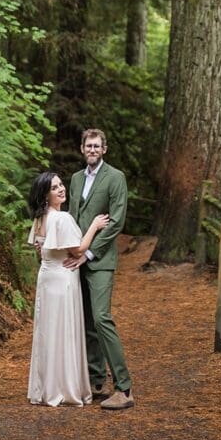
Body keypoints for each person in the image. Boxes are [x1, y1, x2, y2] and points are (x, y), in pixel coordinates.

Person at [64, 128, 134, 409]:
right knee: (87, 323)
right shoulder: (76, 179)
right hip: (75, 256)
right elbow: (72, 217)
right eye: (88, 146)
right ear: (82, 149)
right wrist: (67, 248)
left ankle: (124, 389)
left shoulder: (115, 178)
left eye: (97, 146)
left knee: (102, 318)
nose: (92, 150)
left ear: (104, 149)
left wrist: (89, 253)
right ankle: (96, 383)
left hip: (100, 261)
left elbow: (116, 222)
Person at [26, 171, 109, 406]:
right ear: (45, 194)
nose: (61, 189)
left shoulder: (40, 218)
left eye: (61, 184)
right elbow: (79, 251)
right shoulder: (62, 219)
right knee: (64, 331)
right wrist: (94, 226)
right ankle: (65, 387)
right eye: (54, 187)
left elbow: (38, 250)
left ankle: (47, 388)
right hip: (62, 279)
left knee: (48, 331)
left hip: (46, 277)